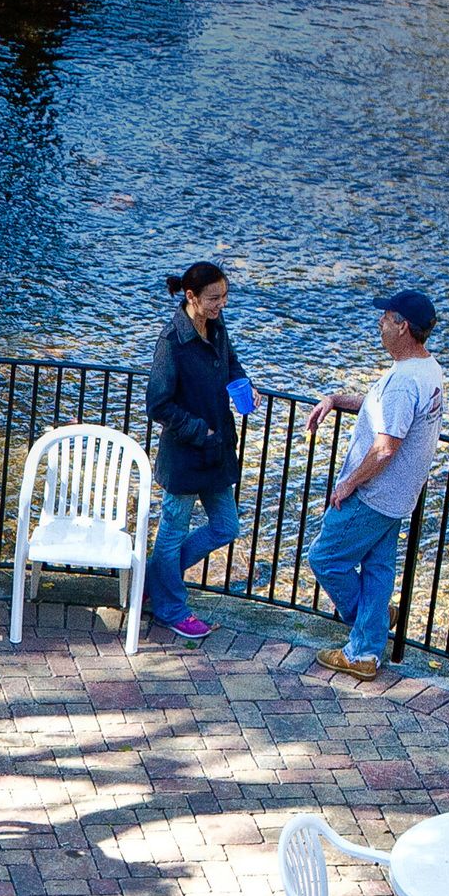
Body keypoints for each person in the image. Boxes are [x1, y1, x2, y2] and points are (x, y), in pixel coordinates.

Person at [302, 287, 447, 684]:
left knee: (325, 558)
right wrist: (335, 399)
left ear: (402, 327)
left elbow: (384, 449)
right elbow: (379, 407)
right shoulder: (427, 370)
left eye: (385, 317)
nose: (380, 323)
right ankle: (366, 652)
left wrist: (348, 483)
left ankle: (372, 626)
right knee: (379, 568)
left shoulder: (404, 382)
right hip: (401, 496)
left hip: (375, 494)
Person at [141, 263, 253, 640]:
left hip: (217, 450)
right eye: (214, 298)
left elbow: (232, 365)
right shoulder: (171, 341)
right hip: (187, 454)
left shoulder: (217, 328)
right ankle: (171, 607)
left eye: (224, 296)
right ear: (191, 297)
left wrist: (243, 385)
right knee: (172, 531)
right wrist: (197, 428)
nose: (221, 304)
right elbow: (157, 404)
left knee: (226, 526)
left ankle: (156, 582)